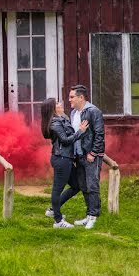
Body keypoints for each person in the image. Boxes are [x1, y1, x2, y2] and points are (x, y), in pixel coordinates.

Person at [60, 84, 105, 230]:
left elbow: (99, 134)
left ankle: (94, 216)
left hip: (90, 155)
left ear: (81, 97)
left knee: (92, 185)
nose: (69, 100)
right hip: (78, 156)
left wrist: (93, 153)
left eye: (72, 97)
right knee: (84, 186)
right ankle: (88, 215)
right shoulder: (74, 113)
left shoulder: (93, 111)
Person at [40, 98, 88, 229]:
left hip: (66, 158)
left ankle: (52, 210)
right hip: (62, 159)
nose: (60, 104)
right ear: (53, 109)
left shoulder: (61, 118)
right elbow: (66, 141)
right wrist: (80, 132)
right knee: (57, 189)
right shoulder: (55, 123)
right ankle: (58, 221)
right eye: (57, 103)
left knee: (76, 185)